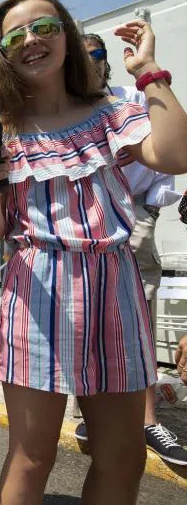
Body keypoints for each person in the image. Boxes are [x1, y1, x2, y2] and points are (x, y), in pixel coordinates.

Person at [0, 0, 187, 504]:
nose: (31, 42)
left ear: (65, 32)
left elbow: (174, 155)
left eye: (43, 28)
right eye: (15, 35)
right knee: (32, 454)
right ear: (2, 51)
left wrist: (150, 70)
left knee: (124, 455)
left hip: (115, 287)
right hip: (37, 289)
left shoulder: (110, 110)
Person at [79, 33, 187, 466]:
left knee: (138, 320)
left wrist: (148, 70)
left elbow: (172, 147)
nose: (90, 65)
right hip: (87, 222)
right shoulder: (66, 109)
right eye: (81, 58)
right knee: (86, 319)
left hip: (135, 214)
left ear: (109, 61)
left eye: (97, 56)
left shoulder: (129, 98)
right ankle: (88, 413)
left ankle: (146, 422)